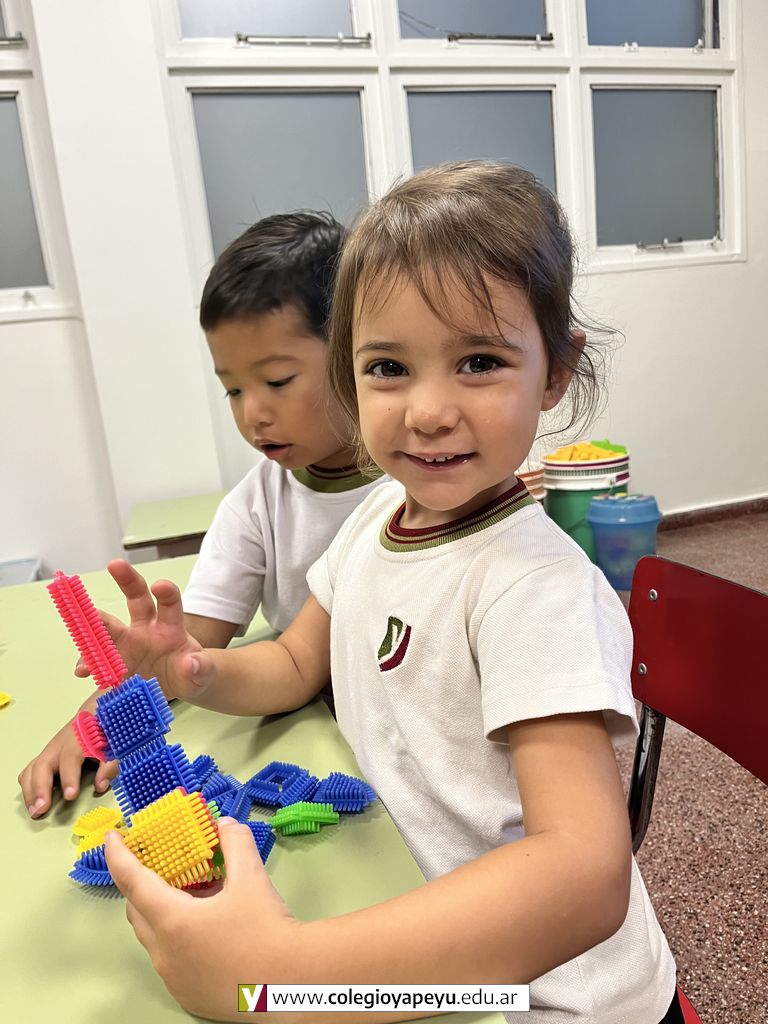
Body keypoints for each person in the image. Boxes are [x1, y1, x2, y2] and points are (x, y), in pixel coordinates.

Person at [102, 161, 679, 1023]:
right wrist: (195, 670)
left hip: (551, 996)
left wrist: (283, 977)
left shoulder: (537, 589)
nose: (427, 410)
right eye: (388, 367)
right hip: (428, 932)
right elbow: (295, 662)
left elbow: (586, 876)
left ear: (556, 371)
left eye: (479, 361)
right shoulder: (378, 515)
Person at [18, 211, 386, 819]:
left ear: (359, 352)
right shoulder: (257, 501)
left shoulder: (415, 490)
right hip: (311, 728)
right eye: (233, 390)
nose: (252, 414)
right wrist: (99, 717)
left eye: (276, 380)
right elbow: (187, 645)